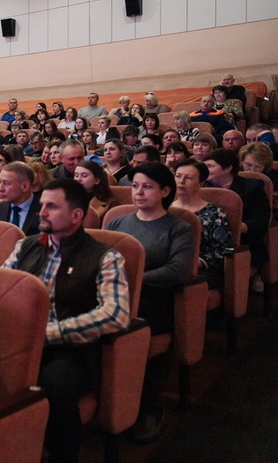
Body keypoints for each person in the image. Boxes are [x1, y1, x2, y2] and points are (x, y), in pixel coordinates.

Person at [2, 178, 129, 463]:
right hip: (21, 342)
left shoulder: (105, 257)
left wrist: (50, 333)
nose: (41, 212)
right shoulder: (25, 246)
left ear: (76, 215)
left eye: (52, 207)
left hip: (70, 349)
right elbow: (1, 291)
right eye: (42, 205)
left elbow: (114, 314)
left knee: (55, 384)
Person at [105, 164, 195, 441]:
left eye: (147, 187)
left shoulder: (179, 228)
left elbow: (177, 272)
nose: (139, 192)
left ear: (165, 191)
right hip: (113, 297)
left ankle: (149, 408)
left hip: (153, 300)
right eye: (135, 186)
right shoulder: (117, 222)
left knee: (134, 328)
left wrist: (131, 281)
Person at [203, 149, 270, 289]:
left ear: (228, 168)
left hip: (243, 239)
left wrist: (235, 227)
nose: (206, 170)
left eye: (210, 166)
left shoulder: (253, 187)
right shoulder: (202, 187)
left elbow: (260, 221)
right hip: (207, 242)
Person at [172, 161, 232, 289]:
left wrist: (194, 263)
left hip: (201, 268)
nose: (181, 181)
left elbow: (220, 250)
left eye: (188, 178)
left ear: (200, 184)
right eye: (178, 176)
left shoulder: (214, 213)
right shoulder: (162, 209)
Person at [0, 162, 42, 234]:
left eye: (6, 183)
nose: (0, 188)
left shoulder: (45, 211)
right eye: (0, 182)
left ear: (25, 186)